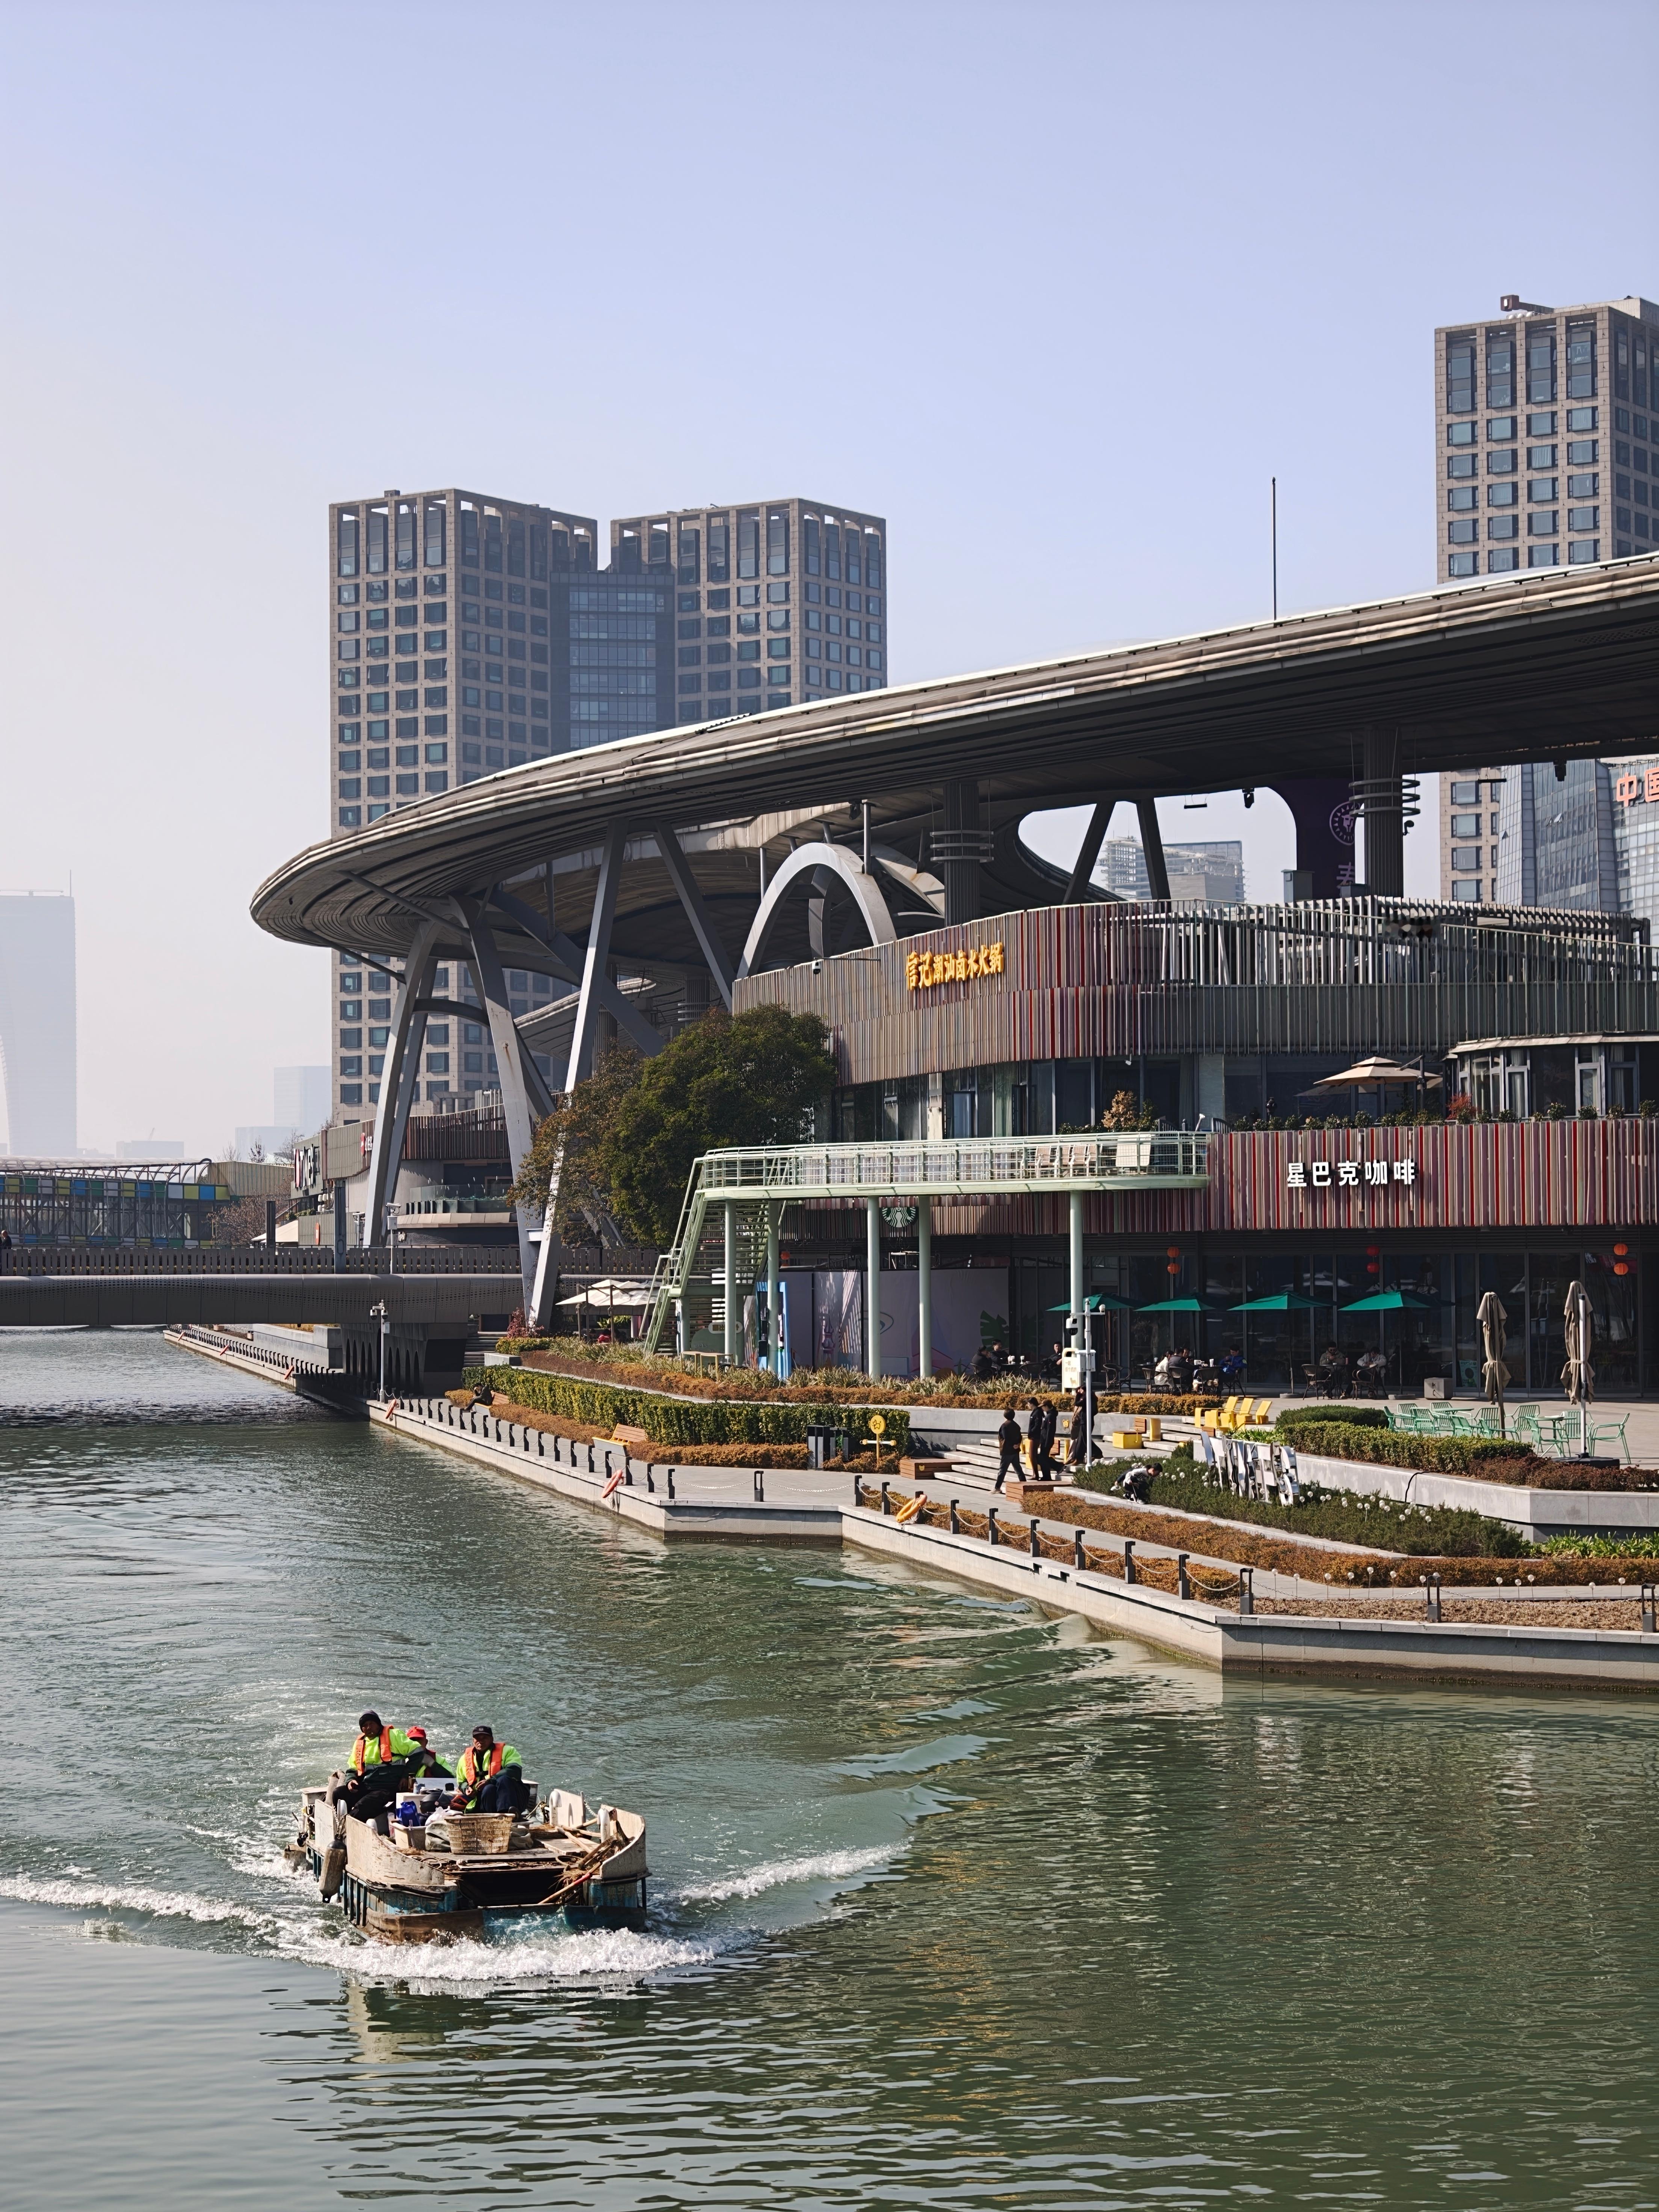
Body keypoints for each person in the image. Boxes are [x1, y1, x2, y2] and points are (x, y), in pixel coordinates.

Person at [325, 1709, 426, 1825]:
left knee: (362, 1806)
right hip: (368, 1785)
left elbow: (418, 1752)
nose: (369, 1727)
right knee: (339, 1793)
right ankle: (341, 1824)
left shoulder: (393, 1735)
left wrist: (406, 1776)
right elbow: (353, 1768)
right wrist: (351, 1780)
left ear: (379, 1724)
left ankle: (347, 1828)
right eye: (365, 1726)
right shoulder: (360, 1743)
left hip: (388, 1787)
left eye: (372, 1724)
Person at [450, 1725, 530, 1815]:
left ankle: (508, 1815)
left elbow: (515, 1771)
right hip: (484, 1798)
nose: (481, 1741)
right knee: (488, 1789)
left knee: (503, 1779)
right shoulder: (464, 1759)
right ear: (473, 1741)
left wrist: (491, 1780)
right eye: (478, 1738)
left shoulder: (508, 1751)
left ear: (492, 1739)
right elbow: (461, 1782)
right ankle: (492, 1818)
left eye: (485, 1738)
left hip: (515, 1798)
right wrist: (466, 1789)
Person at [994, 1403, 1023, 1492]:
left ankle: (997, 1488)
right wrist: (1017, 1444)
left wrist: (1012, 1445)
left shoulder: (1005, 1426)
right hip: (1015, 1451)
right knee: (1018, 1470)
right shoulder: (1017, 1425)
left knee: (1003, 1470)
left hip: (1006, 1451)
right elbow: (1020, 1436)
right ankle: (1025, 1484)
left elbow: (1006, 1437)